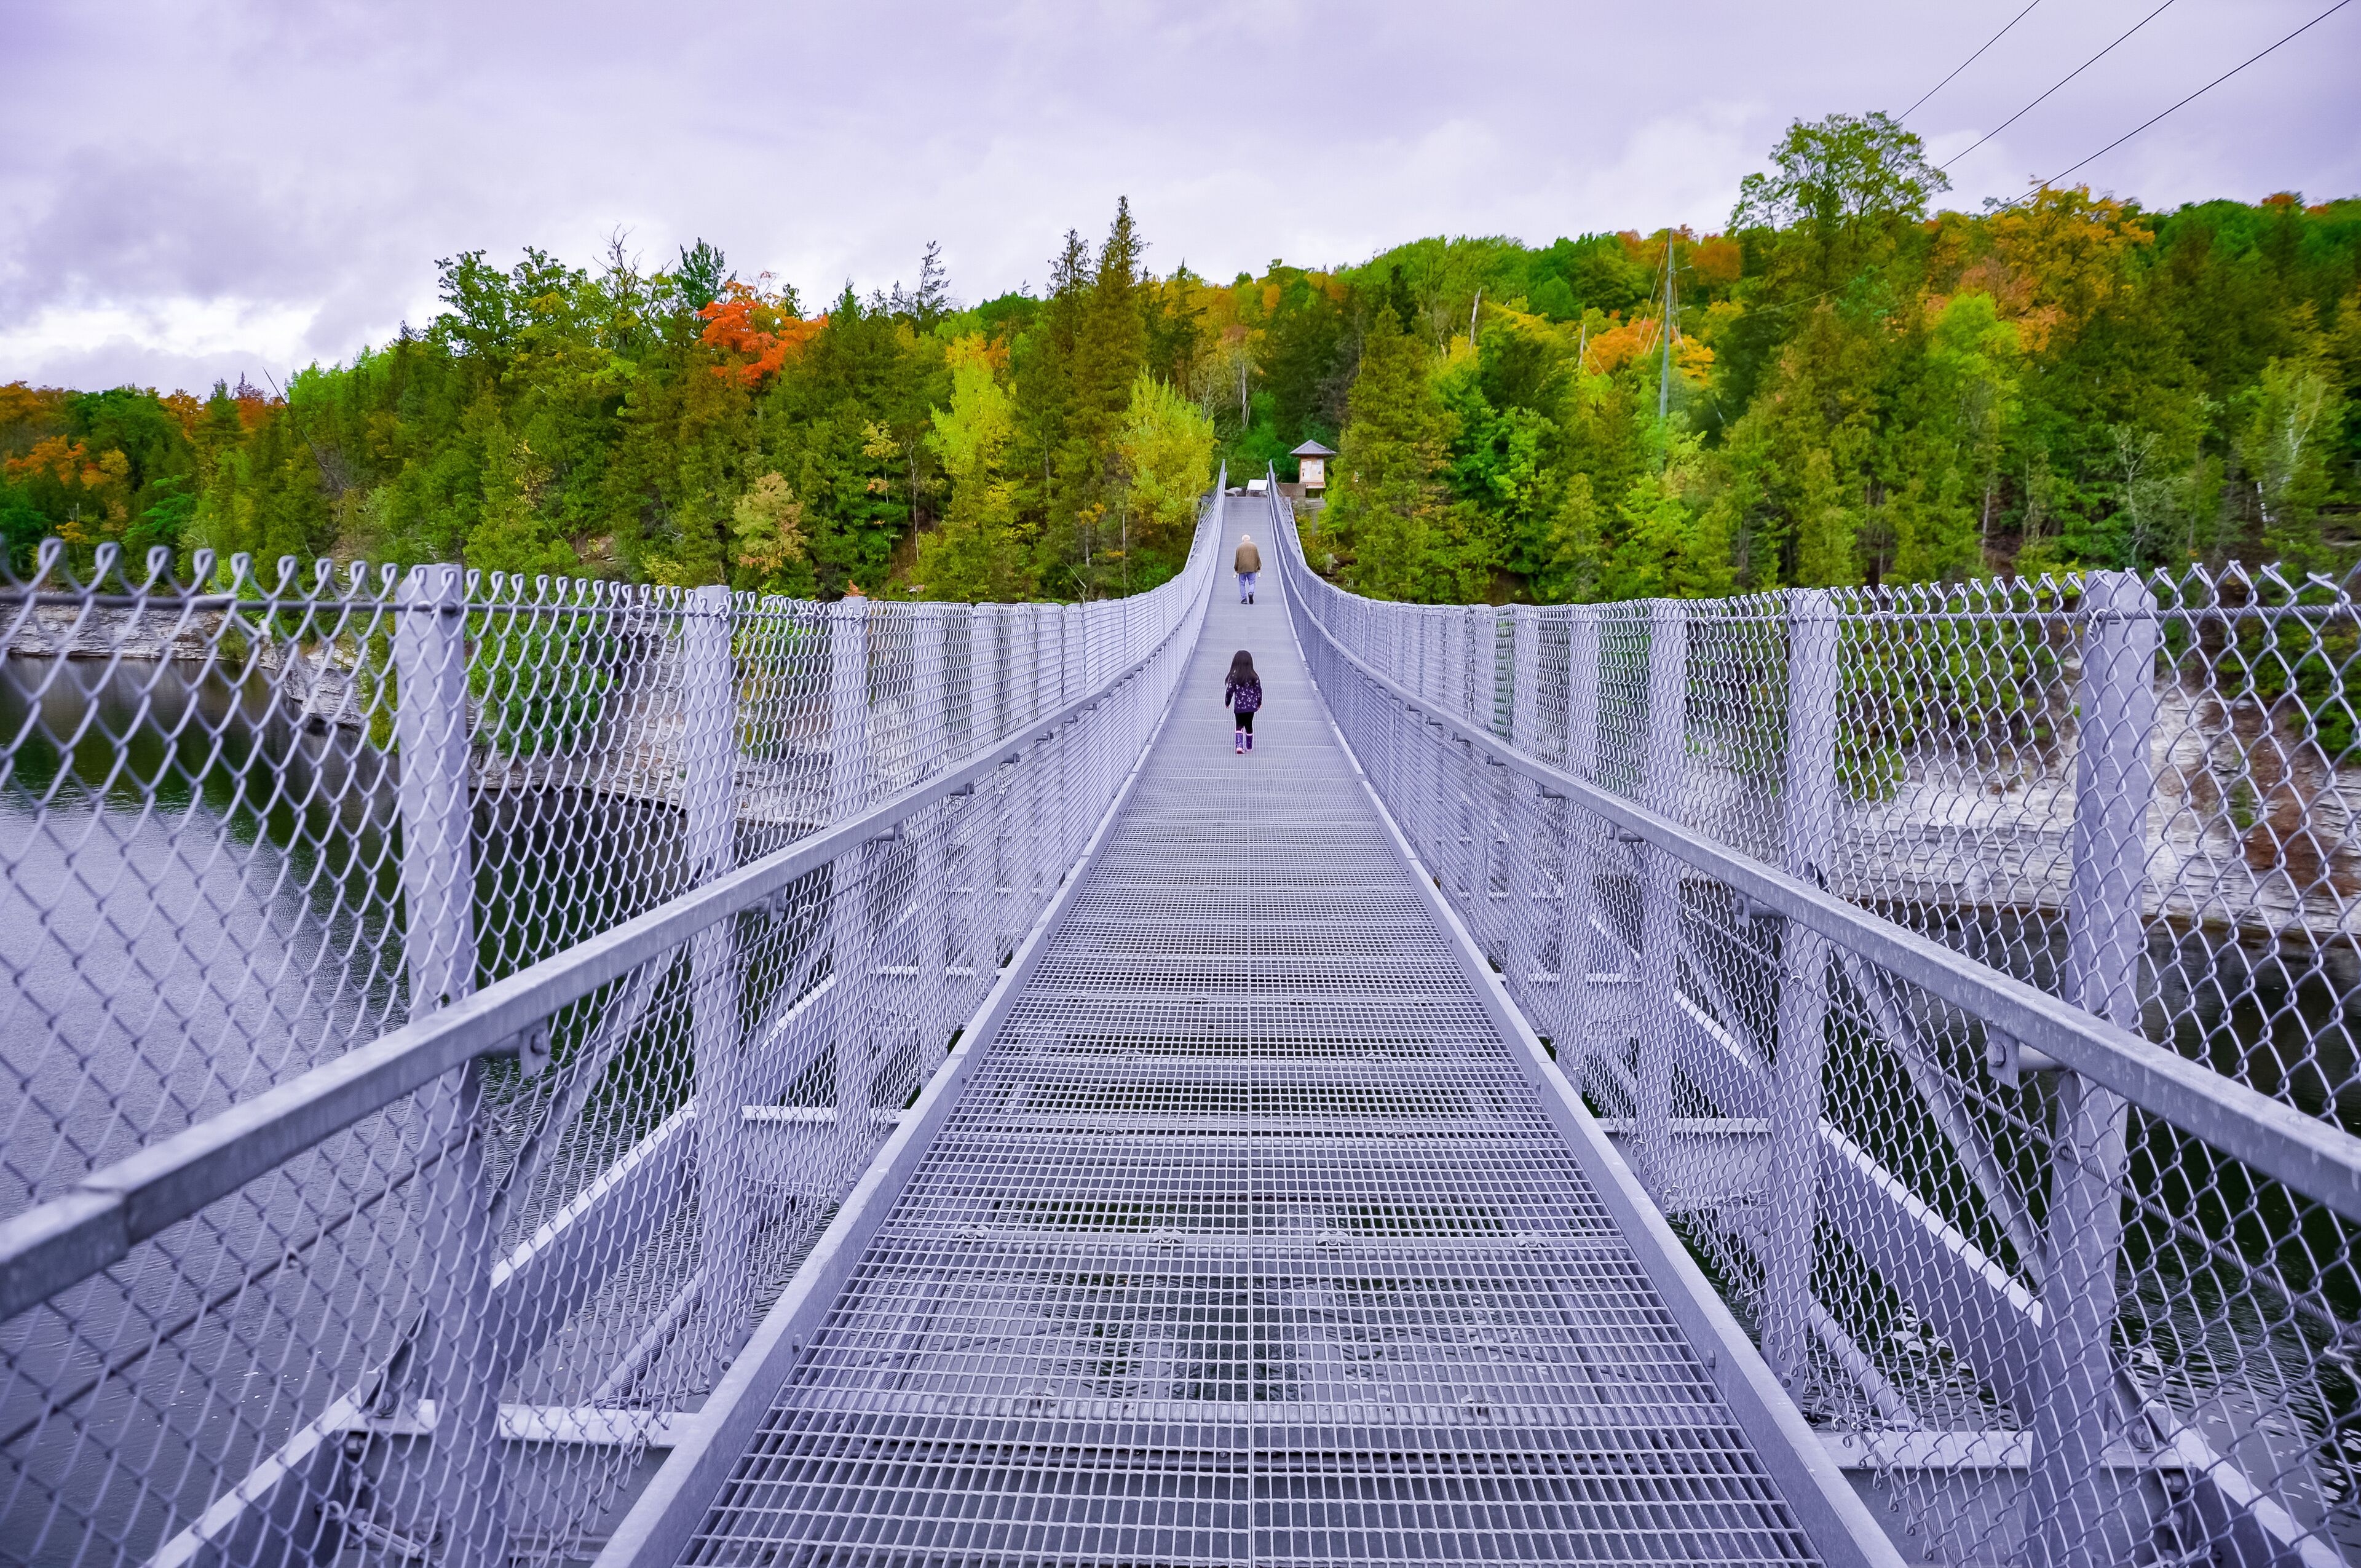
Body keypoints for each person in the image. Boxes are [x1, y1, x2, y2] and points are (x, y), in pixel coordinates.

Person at [1225, 649, 1262, 754]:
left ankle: (1239, 746)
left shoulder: (1234, 677)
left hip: (1239, 707)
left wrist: (1227, 702)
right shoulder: (1254, 677)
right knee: (1249, 724)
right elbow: (1259, 690)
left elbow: (1230, 691)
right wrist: (1259, 702)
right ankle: (1249, 745)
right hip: (1251, 707)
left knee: (1239, 724)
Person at [1234, 533, 1261, 604]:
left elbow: (1237, 559)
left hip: (1242, 568)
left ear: (1243, 540)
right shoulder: (1254, 547)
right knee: (1252, 583)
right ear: (1249, 539)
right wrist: (1259, 567)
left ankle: (1244, 599)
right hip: (1252, 568)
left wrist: (1236, 569)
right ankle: (1251, 592)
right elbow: (1257, 557)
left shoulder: (1239, 547)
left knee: (1242, 584)